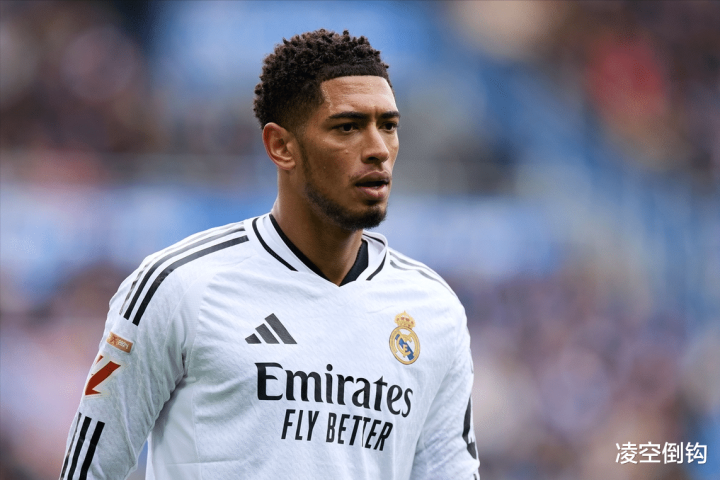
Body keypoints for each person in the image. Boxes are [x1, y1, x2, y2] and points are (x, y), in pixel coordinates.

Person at [60, 29, 479, 480]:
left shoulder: (433, 309)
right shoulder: (179, 286)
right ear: (281, 146)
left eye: (389, 126)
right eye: (347, 127)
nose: (378, 149)